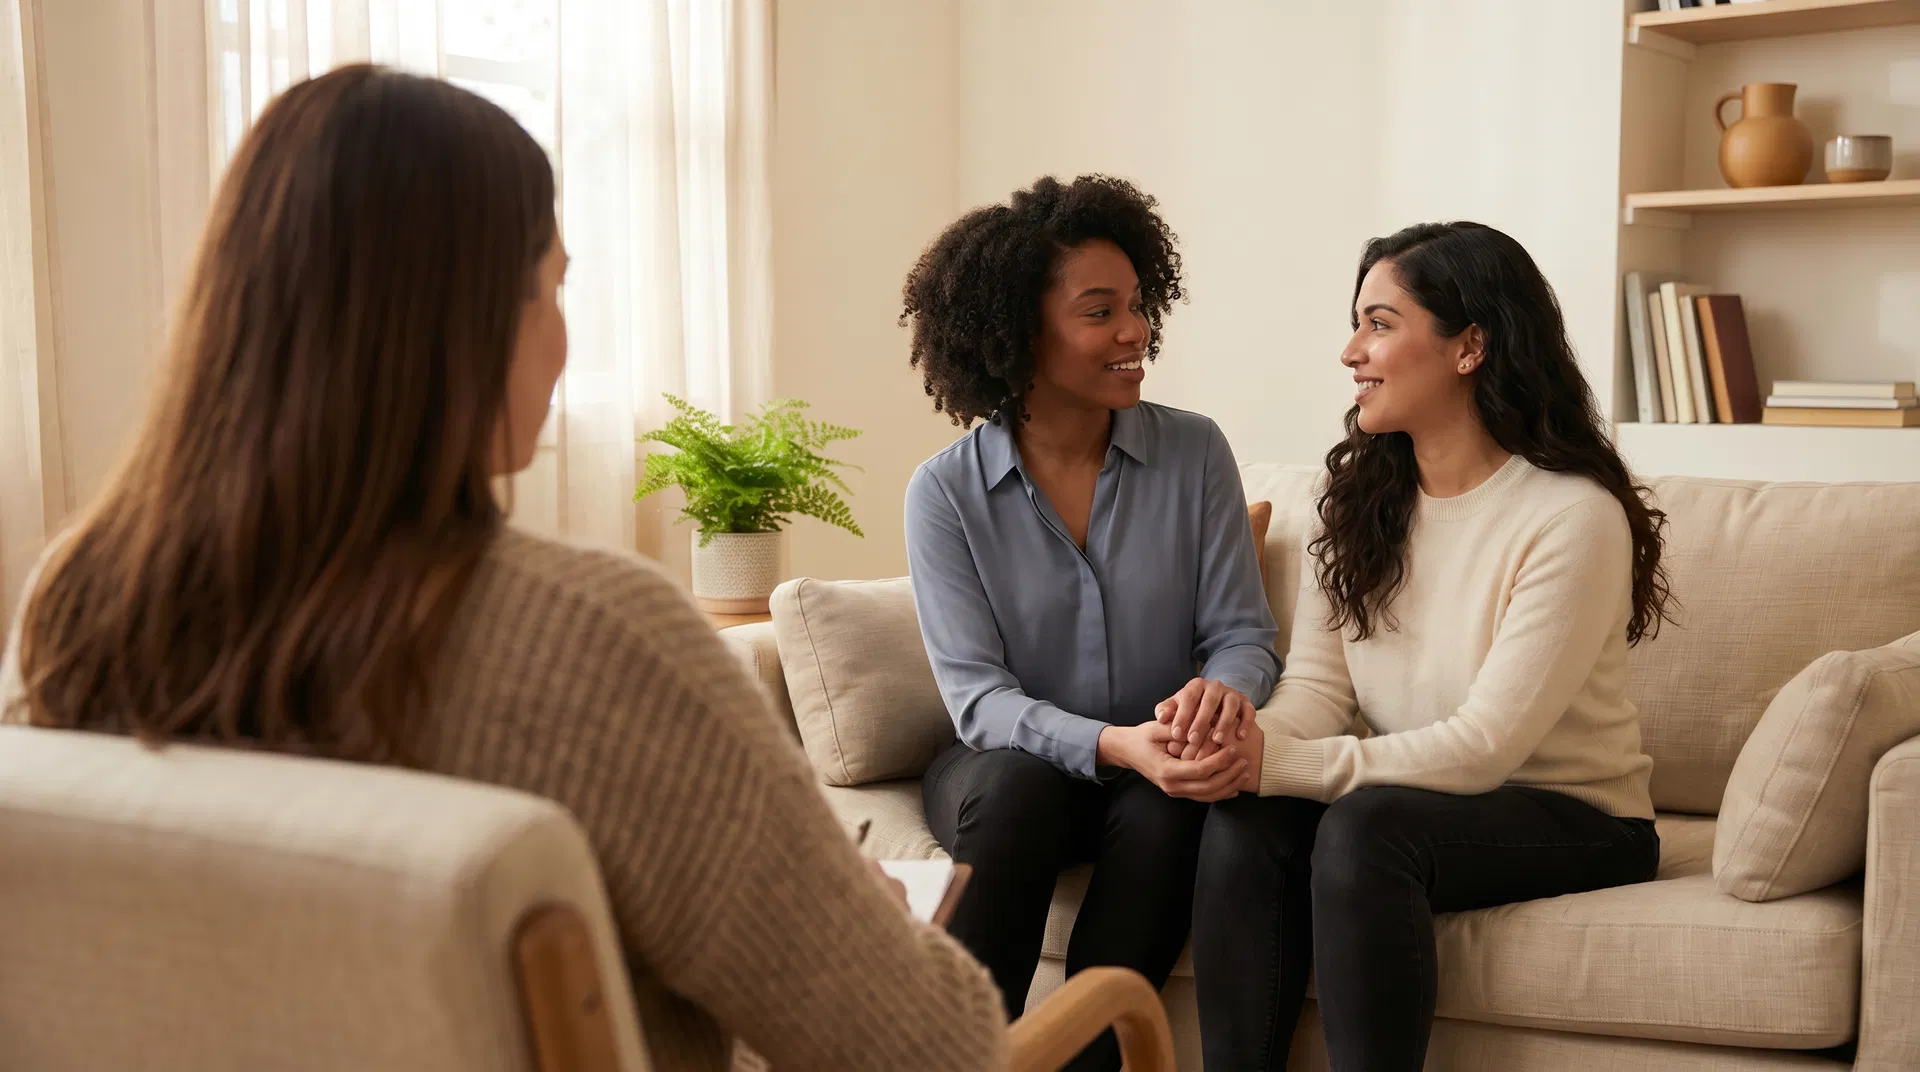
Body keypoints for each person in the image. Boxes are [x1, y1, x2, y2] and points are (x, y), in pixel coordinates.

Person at [0, 65, 1006, 1072]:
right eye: (553, 285)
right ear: (461, 318)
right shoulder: (592, 645)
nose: (563, 336)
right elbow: (930, 1050)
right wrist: (874, 930)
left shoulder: (76, 598)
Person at [1172, 220, 1671, 1071]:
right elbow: (1320, 694)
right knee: (1249, 817)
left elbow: (1484, 750)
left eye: (1379, 323)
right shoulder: (1359, 496)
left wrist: (1281, 765)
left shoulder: (1570, 517)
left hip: (1572, 813)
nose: (1349, 351)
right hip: (1416, 797)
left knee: (1367, 829)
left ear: (1469, 345)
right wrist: (1237, 748)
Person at [900, 174, 1281, 1070]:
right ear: (1017, 333)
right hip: (1009, 769)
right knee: (1022, 789)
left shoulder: (1195, 452)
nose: (1134, 332)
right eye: (1099, 312)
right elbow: (977, 699)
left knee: (1168, 812)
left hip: (1156, 766)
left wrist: (1214, 702)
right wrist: (1118, 744)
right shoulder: (946, 492)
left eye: (1139, 306)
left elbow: (1241, 631)